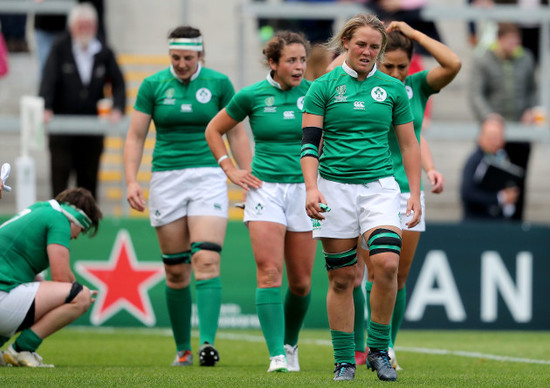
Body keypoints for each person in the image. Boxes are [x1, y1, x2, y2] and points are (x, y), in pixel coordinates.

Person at [329, 21, 461, 368]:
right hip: (363, 184)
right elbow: (327, 79)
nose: (397, 72)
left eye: (403, 66)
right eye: (390, 65)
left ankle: (384, 347)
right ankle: (357, 349)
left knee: (394, 275)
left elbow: (414, 136)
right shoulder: (363, 86)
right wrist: (360, 45)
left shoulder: (415, 87)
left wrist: (414, 33)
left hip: (405, 190)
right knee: (355, 274)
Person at [301, 13, 421, 382]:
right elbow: (308, 144)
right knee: (342, 278)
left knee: (386, 264)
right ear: (346, 44)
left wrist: (414, 192)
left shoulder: (393, 89)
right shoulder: (321, 88)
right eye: (361, 44)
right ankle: (343, 361)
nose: (368, 51)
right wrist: (311, 187)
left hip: (380, 188)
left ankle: (380, 350)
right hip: (334, 189)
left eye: (374, 46)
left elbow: (408, 143)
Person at [124, 25, 252, 367]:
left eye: (188, 58)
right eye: (176, 57)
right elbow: (136, 136)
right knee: (176, 272)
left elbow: (237, 132)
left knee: (207, 260)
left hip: (209, 175)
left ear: (200, 55)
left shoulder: (219, 83)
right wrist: (131, 181)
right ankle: (183, 349)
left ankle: (208, 344)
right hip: (166, 178)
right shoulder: (153, 85)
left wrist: (245, 173)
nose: (181, 63)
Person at [205, 31, 316, 373]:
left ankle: (290, 343)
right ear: (273, 63)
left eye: (302, 60)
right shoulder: (252, 95)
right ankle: (276, 357)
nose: (299, 67)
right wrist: (231, 170)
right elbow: (213, 129)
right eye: (291, 61)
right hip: (264, 190)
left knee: (301, 283)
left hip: (304, 190)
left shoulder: (314, 93)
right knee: (269, 272)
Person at [0, 187, 101, 367]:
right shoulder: (59, 218)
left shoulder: (41, 209)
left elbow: (31, 279)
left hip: (5, 295)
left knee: (65, 293)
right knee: (81, 296)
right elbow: (61, 276)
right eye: (82, 230)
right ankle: (22, 349)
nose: (77, 236)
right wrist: (79, 293)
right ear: (77, 217)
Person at [39, 2, 126, 200]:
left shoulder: (104, 51)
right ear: (72, 27)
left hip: (92, 131)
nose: (85, 30)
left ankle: (87, 225)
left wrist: (118, 108)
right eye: (81, 25)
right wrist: (46, 107)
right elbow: (48, 80)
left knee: (88, 185)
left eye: (89, 25)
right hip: (62, 130)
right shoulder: (60, 47)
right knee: (60, 183)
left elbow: (119, 83)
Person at [468, 22, 536, 221]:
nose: (514, 45)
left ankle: (517, 223)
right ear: (499, 40)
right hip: (493, 134)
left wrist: (531, 110)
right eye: (510, 41)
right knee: (490, 180)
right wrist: (489, 117)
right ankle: (488, 221)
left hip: (520, 132)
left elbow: (533, 89)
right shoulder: (484, 60)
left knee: (518, 181)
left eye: (517, 40)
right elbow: (475, 95)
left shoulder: (526, 59)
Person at [461, 118, 520, 220]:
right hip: (477, 221)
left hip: (499, 221)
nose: (496, 142)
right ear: (481, 138)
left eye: (499, 137)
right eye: (492, 138)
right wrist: (499, 198)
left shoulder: (503, 158)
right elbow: (467, 193)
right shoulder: (475, 160)